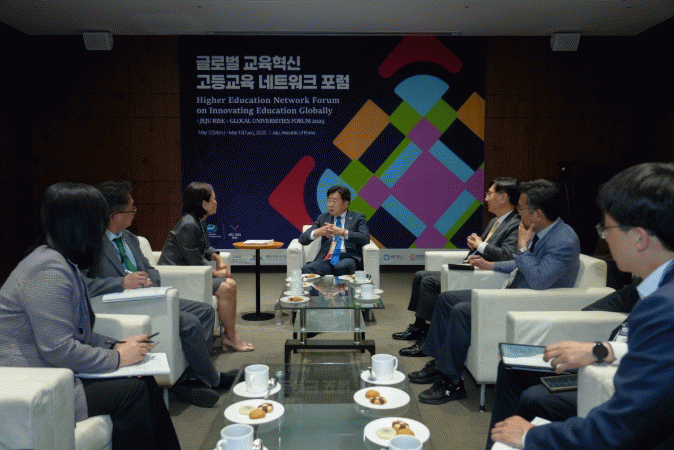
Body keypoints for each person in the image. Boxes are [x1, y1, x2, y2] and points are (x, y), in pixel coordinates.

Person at [492, 162, 674, 449]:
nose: (604, 237)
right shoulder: (659, 286)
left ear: (639, 238)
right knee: (513, 369)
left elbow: (621, 428)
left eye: (606, 228)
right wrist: (602, 349)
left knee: (530, 404)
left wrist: (529, 436)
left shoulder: (664, 307)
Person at [0, 182, 181, 450]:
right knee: (132, 392)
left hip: (57, 371)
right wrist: (118, 357)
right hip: (38, 381)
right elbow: (59, 349)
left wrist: (115, 345)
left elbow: (78, 333)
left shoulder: (61, 261)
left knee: (145, 380)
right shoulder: (47, 271)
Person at [408, 179, 581, 405]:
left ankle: (452, 382)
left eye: (521, 209)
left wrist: (522, 247)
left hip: (531, 302)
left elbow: (538, 279)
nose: (519, 213)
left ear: (537, 214)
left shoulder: (563, 241)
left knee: (462, 311)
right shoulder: (540, 229)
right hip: (512, 290)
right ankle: (440, 363)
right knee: (447, 299)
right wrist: (491, 265)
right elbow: (521, 264)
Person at [85, 181, 236, 408]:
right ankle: (213, 380)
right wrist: (122, 282)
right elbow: (83, 284)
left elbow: (152, 269)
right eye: (131, 209)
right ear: (114, 216)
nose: (135, 213)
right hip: (124, 305)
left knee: (205, 311)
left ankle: (194, 378)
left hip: (151, 296)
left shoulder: (130, 238)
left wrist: (150, 280)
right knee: (189, 322)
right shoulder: (92, 245)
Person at [485, 277, 641, 449]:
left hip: (610, 377)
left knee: (534, 398)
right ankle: (496, 445)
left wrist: (600, 351)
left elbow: (539, 279)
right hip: (595, 365)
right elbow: (609, 303)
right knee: (511, 369)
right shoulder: (646, 282)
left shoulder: (661, 299)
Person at [395, 177, 520, 353]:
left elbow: (507, 255)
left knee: (429, 282)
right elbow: (486, 247)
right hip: (472, 266)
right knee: (420, 276)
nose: (486, 198)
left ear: (503, 198)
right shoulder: (495, 221)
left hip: (484, 273)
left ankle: (428, 336)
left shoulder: (516, 224)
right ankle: (419, 326)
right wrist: (476, 244)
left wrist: (480, 245)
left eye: (490, 194)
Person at [159, 182, 253, 352]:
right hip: (177, 277)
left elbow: (204, 246)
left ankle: (229, 335)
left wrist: (217, 257)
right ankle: (231, 337)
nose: (216, 202)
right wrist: (217, 273)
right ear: (203, 203)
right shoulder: (189, 225)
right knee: (227, 287)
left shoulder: (198, 221)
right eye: (213, 199)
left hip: (190, 273)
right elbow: (194, 261)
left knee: (230, 284)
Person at [299, 185, 370, 276]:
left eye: (334, 201)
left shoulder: (358, 218)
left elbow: (365, 238)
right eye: (329, 200)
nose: (330, 205)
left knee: (341, 267)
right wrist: (317, 232)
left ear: (345, 204)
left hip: (348, 257)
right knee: (307, 268)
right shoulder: (323, 218)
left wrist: (343, 232)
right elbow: (302, 239)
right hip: (327, 259)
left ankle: (341, 285)